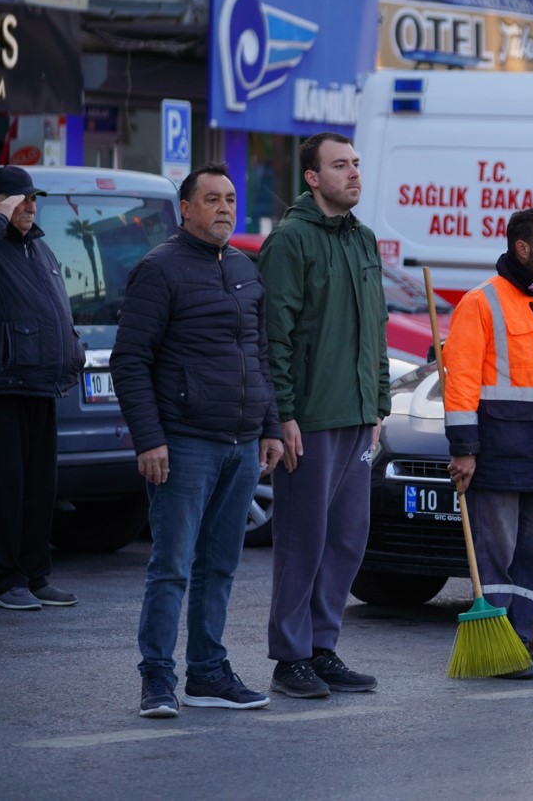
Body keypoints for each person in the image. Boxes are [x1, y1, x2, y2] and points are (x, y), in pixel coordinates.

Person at [112, 164, 283, 718]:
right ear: (185, 209)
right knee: (172, 565)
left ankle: (207, 673)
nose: (224, 209)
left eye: (230, 199)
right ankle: (157, 678)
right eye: (211, 200)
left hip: (239, 443)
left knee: (221, 566)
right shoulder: (158, 270)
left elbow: (258, 355)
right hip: (183, 444)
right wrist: (149, 440)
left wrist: (271, 427)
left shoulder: (243, 267)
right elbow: (130, 360)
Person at [259, 133, 390, 698]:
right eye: (340, 165)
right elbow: (275, 338)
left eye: (356, 164)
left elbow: (376, 333)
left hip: (359, 416)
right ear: (312, 177)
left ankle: (321, 646)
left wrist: (379, 406)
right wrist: (282, 415)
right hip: (309, 420)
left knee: (347, 539)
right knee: (301, 540)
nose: (354, 173)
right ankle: (290, 657)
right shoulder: (290, 241)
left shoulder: (363, 239)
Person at [444, 207, 533, 679]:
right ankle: (496, 651)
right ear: (523, 248)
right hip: (498, 451)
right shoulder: (480, 302)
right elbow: (459, 381)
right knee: (496, 557)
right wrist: (464, 448)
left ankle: (518, 644)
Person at [0, 166, 83, 611]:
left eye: (32, 198)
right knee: (3, 487)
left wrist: (73, 346)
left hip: (39, 383)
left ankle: (35, 574)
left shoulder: (38, 249)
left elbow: (54, 305)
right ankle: (5, 580)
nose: (29, 205)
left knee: (39, 488)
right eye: (19, 199)